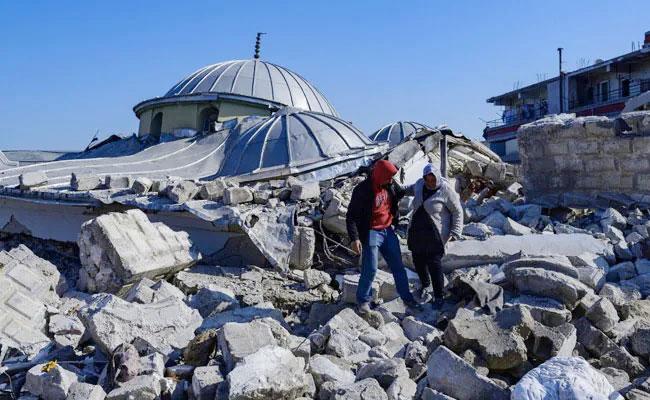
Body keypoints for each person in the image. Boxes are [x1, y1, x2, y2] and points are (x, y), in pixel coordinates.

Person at [346, 159, 419, 314]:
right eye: (388, 176)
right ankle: (363, 301)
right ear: (380, 174)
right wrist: (355, 238)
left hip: (388, 230)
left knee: (398, 266)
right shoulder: (362, 190)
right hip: (371, 231)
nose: (391, 179)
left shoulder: (390, 185)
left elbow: (400, 194)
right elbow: (351, 215)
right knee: (370, 268)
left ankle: (407, 298)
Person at [406, 163, 463, 307]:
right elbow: (409, 189)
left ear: (437, 177)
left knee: (434, 264)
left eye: (433, 180)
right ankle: (425, 284)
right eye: (427, 180)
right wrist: (396, 190)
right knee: (418, 260)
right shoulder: (420, 185)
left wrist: (455, 231)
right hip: (417, 231)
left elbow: (457, 211)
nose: (430, 183)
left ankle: (439, 296)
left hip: (435, 233)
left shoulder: (446, 190)